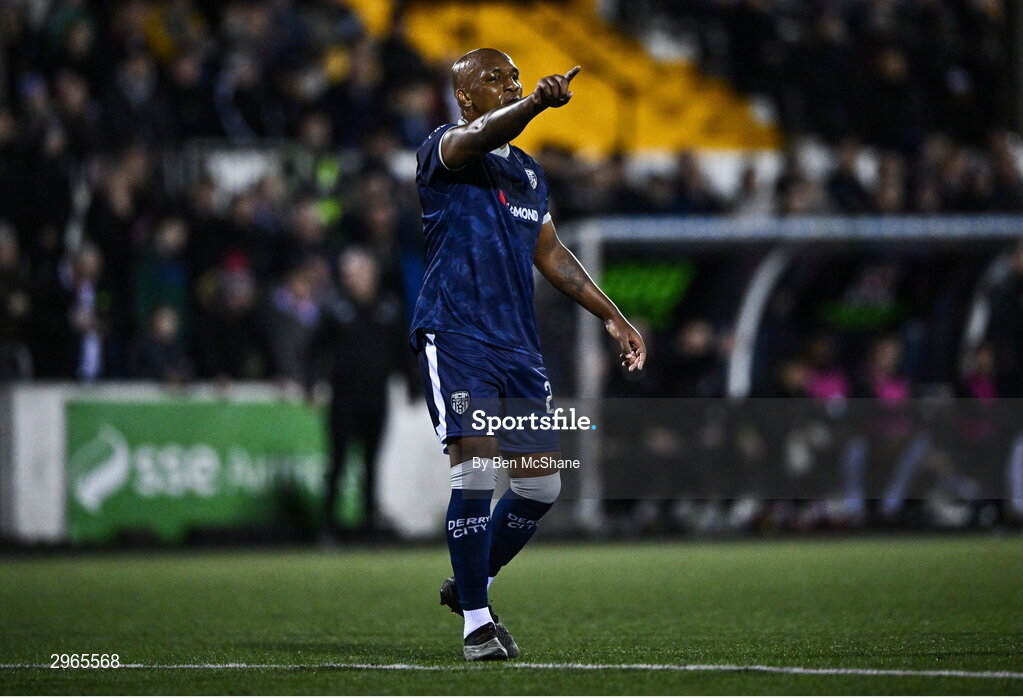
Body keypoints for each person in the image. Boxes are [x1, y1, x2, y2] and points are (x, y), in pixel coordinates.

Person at [410, 48, 646, 661]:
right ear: (465, 98)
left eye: (514, 78)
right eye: (495, 79)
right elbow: (490, 131)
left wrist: (613, 316)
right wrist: (536, 102)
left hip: (517, 344)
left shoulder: (530, 175)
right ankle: (478, 627)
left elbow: (553, 254)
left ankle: (471, 584)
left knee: (541, 487)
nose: (510, 85)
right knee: (478, 471)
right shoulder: (444, 149)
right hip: (458, 333)